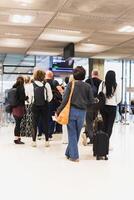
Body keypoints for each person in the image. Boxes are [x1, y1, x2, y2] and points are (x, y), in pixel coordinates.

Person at [56, 66, 94, 162]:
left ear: (74, 75)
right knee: (76, 134)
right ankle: (69, 153)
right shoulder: (88, 86)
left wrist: (58, 110)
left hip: (71, 111)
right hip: (82, 112)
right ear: (84, 76)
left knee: (72, 134)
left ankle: (73, 156)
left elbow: (65, 100)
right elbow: (91, 101)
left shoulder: (70, 84)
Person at [30, 70, 53, 147]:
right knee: (45, 123)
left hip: (35, 106)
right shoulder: (46, 84)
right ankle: (46, 141)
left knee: (34, 124)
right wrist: (46, 101)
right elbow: (50, 97)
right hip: (44, 105)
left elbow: (30, 97)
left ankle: (34, 141)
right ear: (43, 76)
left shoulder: (32, 85)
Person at [98, 70, 121, 139]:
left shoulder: (102, 84)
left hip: (103, 106)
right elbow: (119, 98)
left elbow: (99, 94)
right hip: (112, 107)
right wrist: (114, 103)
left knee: (104, 124)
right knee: (110, 125)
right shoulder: (116, 85)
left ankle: (102, 142)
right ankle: (107, 141)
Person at [82, 69, 102, 145]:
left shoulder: (87, 81)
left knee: (89, 122)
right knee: (96, 122)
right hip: (97, 105)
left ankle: (89, 136)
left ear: (92, 74)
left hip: (88, 105)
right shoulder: (101, 82)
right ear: (98, 74)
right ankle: (92, 136)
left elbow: (84, 94)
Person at [45, 70, 63, 139]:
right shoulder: (54, 82)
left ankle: (44, 132)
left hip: (44, 102)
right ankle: (50, 133)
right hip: (53, 102)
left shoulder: (43, 82)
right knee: (52, 117)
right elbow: (61, 90)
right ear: (52, 76)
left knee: (45, 117)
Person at [12, 76, 27, 144]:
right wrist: (26, 98)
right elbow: (21, 98)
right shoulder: (21, 88)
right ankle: (17, 139)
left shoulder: (14, 87)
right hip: (19, 108)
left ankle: (17, 138)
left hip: (14, 108)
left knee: (17, 123)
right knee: (18, 124)